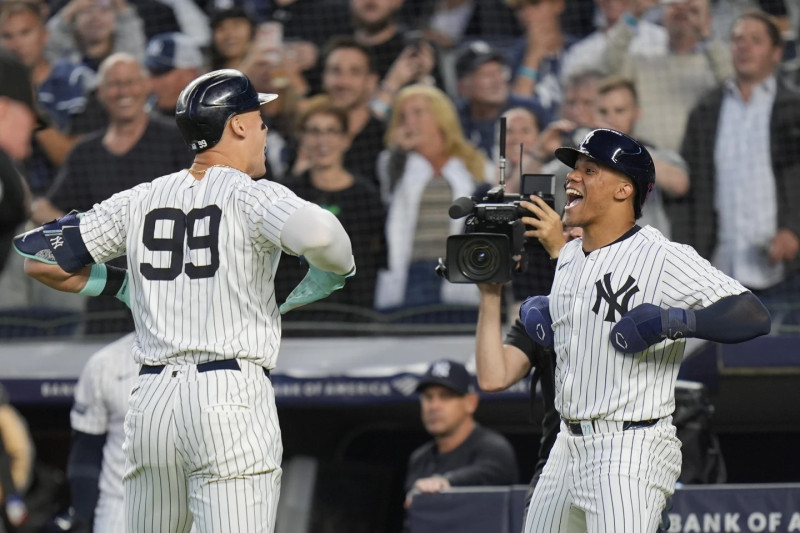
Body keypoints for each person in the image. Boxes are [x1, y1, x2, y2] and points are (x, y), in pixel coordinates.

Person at [15, 68, 355, 533]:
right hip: (228, 395)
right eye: (259, 118)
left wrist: (121, 286)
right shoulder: (254, 195)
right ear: (236, 124)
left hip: (150, 399)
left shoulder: (141, 198)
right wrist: (332, 274)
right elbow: (324, 236)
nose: (264, 129)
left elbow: (39, 260)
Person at [519, 127, 771, 532]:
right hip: (566, 445)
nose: (572, 177)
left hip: (629, 447)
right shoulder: (568, 257)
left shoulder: (662, 254)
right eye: (574, 168)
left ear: (624, 190)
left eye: (589, 169)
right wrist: (551, 317)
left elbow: (753, 314)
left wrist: (676, 322)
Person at [32, 52, 193, 334]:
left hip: (171, 291)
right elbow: (46, 209)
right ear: (102, 93)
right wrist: (83, 239)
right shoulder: (85, 152)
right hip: (104, 292)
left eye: (131, 82)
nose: (123, 91)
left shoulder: (175, 140)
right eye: (115, 84)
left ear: (146, 87)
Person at [677, 10, 800, 311]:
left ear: (776, 52)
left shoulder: (794, 109)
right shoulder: (705, 111)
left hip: (786, 275)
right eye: (737, 40)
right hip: (718, 275)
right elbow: (691, 192)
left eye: (755, 41)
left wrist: (794, 229)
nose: (743, 47)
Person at [474, 194, 576, 518]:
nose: (572, 240)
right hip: (557, 463)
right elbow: (494, 376)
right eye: (568, 233)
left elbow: (596, 314)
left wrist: (562, 251)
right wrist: (491, 294)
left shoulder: (628, 293)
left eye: (577, 234)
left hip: (620, 462)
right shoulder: (543, 311)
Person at [375, 84, 489, 310]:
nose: (409, 121)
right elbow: (389, 176)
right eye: (403, 116)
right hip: (413, 271)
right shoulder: (395, 162)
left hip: (460, 271)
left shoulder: (474, 163)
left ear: (440, 116)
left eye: (418, 113)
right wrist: (401, 149)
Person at [277, 96, 386, 316]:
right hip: (295, 319)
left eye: (331, 131)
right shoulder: (285, 196)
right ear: (302, 138)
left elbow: (375, 262)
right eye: (314, 131)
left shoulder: (367, 197)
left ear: (346, 139)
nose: (322, 141)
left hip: (354, 317)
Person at [604, 0, 733, 151]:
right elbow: (610, 65)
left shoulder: (714, 64)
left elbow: (732, 82)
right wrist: (632, 15)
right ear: (662, 14)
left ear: (709, 19)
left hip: (697, 162)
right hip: (647, 158)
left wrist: (706, 33)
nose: (683, 12)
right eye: (675, 5)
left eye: (693, 9)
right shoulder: (644, 61)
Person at [404, 359, 518, 510]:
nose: (434, 406)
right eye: (428, 397)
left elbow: (487, 473)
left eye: (445, 396)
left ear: (470, 402)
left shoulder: (493, 447)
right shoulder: (420, 458)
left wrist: (444, 482)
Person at [595, 75, 689, 237]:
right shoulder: (582, 158)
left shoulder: (655, 154)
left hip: (647, 256)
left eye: (619, 110)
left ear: (636, 113)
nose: (610, 118)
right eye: (603, 112)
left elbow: (679, 184)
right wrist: (539, 153)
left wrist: (624, 148)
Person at [67, 333, 137, 533]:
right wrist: (82, 515)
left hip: (198, 499)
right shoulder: (104, 363)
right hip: (120, 503)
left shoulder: (223, 354)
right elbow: (87, 450)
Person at [454, 40, 547, 160]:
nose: (497, 81)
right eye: (486, 75)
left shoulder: (531, 110)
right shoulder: (454, 118)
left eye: (499, 72)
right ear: (463, 87)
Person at [144, 32, 205, 117]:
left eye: (160, 73)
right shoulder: (143, 118)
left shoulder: (217, 120)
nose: (150, 83)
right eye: (150, 73)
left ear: (190, 74)